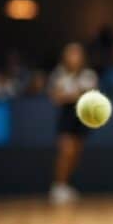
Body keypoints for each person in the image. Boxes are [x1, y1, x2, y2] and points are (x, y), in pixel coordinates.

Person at [48, 42, 98, 205]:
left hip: (81, 116)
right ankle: (58, 186)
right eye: (71, 54)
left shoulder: (89, 75)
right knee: (66, 150)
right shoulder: (59, 74)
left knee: (76, 152)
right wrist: (75, 95)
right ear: (65, 57)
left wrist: (70, 95)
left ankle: (66, 185)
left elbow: (90, 95)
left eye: (77, 54)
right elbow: (56, 97)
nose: (74, 57)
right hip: (67, 116)